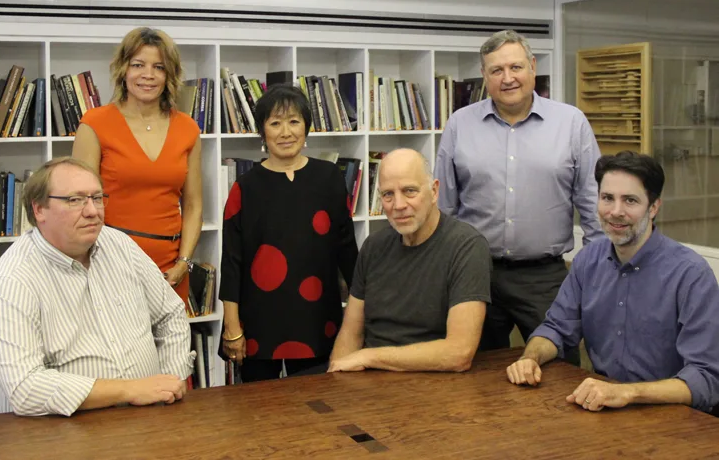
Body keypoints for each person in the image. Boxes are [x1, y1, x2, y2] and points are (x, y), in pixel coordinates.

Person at [434, 29, 602, 362]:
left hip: (545, 279)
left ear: (532, 67)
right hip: (475, 274)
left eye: (516, 67)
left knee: (557, 373)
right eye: (496, 70)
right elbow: (444, 208)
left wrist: (595, 274)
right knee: (475, 373)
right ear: (484, 75)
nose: (507, 78)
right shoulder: (459, 124)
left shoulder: (571, 123)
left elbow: (592, 203)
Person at [506, 151, 719, 414]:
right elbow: (556, 329)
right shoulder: (588, 261)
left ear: (653, 208)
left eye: (630, 200)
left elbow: (706, 380)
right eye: (607, 198)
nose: (615, 212)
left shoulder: (690, 274)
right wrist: (530, 358)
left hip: (673, 416)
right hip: (606, 408)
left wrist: (629, 393)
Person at [0, 157, 194, 416]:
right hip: (54, 432)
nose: (92, 211)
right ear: (39, 209)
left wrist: (166, 384)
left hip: (147, 417)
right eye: (75, 200)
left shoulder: (119, 245)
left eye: (97, 198)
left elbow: (170, 314)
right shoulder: (13, 279)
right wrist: (129, 390)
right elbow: (25, 388)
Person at [219, 84, 359, 382]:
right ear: (262, 131)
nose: (286, 132)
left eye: (294, 121)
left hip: (318, 318)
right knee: (261, 415)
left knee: (322, 410)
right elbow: (232, 261)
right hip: (259, 323)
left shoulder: (330, 178)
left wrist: (361, 318)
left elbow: (347, 251)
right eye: (275, 123)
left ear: (306, 128)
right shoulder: (244, 187)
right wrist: (232, 327)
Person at [72, 26, 202, 308]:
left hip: (170, 271)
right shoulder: (95, 123)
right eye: (138, 65)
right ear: (123, 69)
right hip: (109, 264)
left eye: (159, 67)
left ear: (169, 74)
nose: (148, 75)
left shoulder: (188, 128)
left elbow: (193, 205)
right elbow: (81, 204)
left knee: (171, 351)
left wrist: (184, 263)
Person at [328, 148, 491, 373]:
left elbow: (458, 353)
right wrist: (335, 376)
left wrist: (369, 356)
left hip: (435, 381)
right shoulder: (373, 246)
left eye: (409, 191)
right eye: (387, 194)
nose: (399, 205)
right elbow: (350, 333)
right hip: (369, 380)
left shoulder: (466, 246)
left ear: (434, 191)